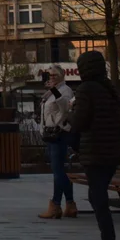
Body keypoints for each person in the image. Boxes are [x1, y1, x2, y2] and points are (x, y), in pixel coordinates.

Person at [70, 51, 120, 240]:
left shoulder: (86, 89)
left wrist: (71, 113)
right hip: (112, 153)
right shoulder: (109, 89)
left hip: (96, 152)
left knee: (98, 199)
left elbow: (79, 122)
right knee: (98, 197)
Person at [39, 65, 77, 219]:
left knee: (58, 171)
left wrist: (54, 90)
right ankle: (70, 204)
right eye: (50, 75)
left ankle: (56, 205)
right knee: (59, 170)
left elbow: (65, 107)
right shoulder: (50, 93)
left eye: (55, 75)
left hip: (58, 134)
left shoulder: (65, 90)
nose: (52, 77)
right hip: (50, 133)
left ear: (62, 75)